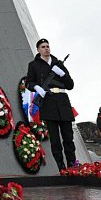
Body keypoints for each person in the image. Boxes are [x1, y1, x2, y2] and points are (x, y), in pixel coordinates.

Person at [24, 38, 76, 172]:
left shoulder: (59, 64)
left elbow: (70, 85)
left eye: (47, 46)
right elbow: (28, 83)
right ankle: (61, 167)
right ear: (38, 49)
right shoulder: (34, 65)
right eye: (43, 47)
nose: (46, 48)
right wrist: (37, 87)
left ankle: (72, 165)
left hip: (62, 101)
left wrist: (62, 74)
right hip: (48, 101)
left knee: (68, 138)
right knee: (55, 140)